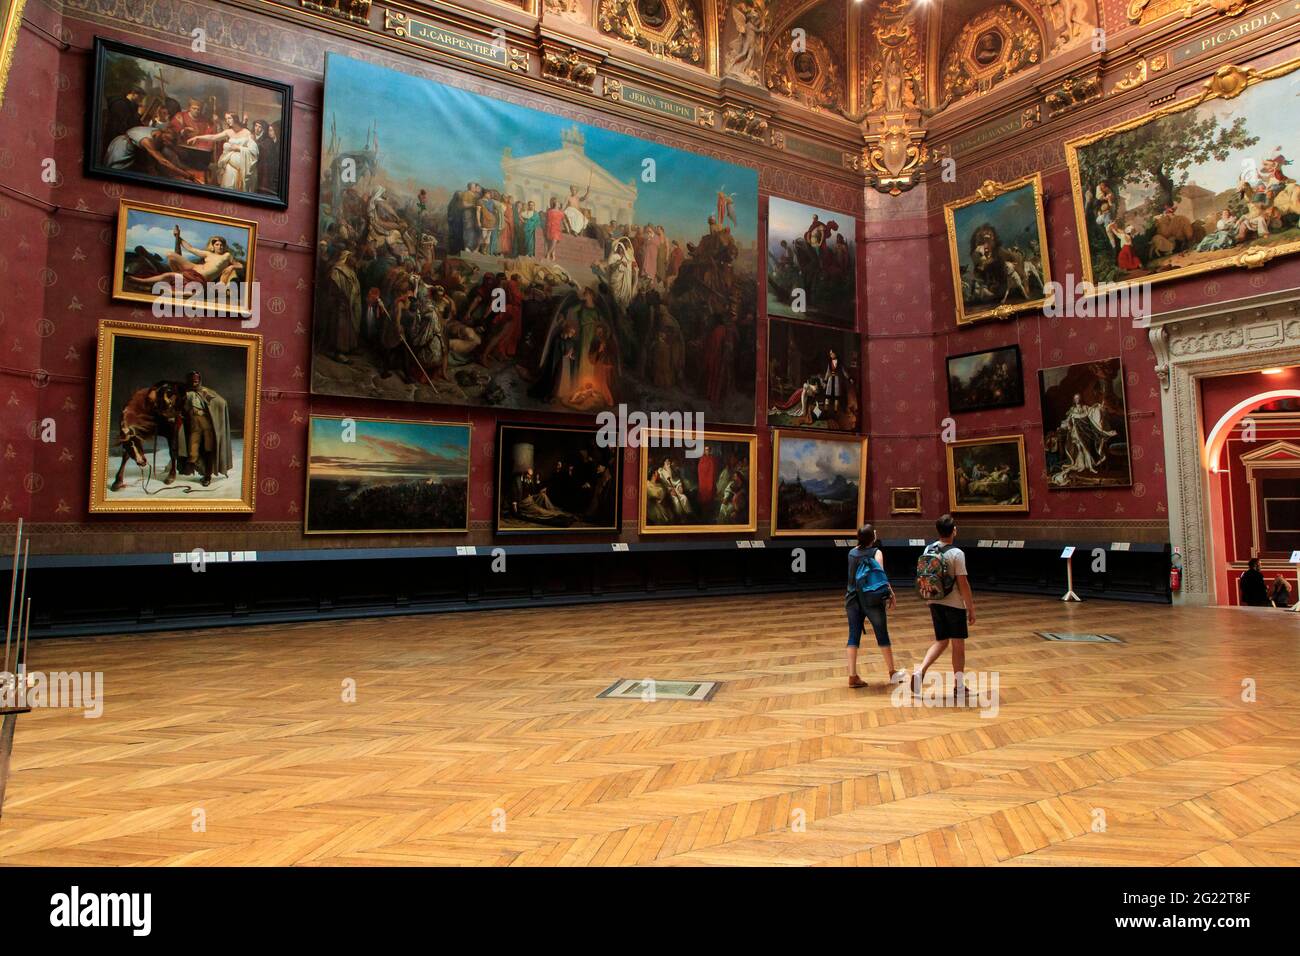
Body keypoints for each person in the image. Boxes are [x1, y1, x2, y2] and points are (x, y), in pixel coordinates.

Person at [913, 514, 976, 696]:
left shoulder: (928, 549)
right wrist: (970, 607)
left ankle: (920, 671)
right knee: (958, 646)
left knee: (941, 641)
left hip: (934, 600)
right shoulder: (956, 554)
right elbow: (963, 583)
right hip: (954, 604)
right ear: (954, 530)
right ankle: (959, 686)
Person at [845, 524, 899, 689]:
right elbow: (880, 576)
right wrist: (890, 593)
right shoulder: (877, 553)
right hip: (872, 599)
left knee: (853, 636)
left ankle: (852, 676)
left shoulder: (851, 553)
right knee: (882, 634)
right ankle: (892, 673)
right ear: (872, 538)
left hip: (853, 599)